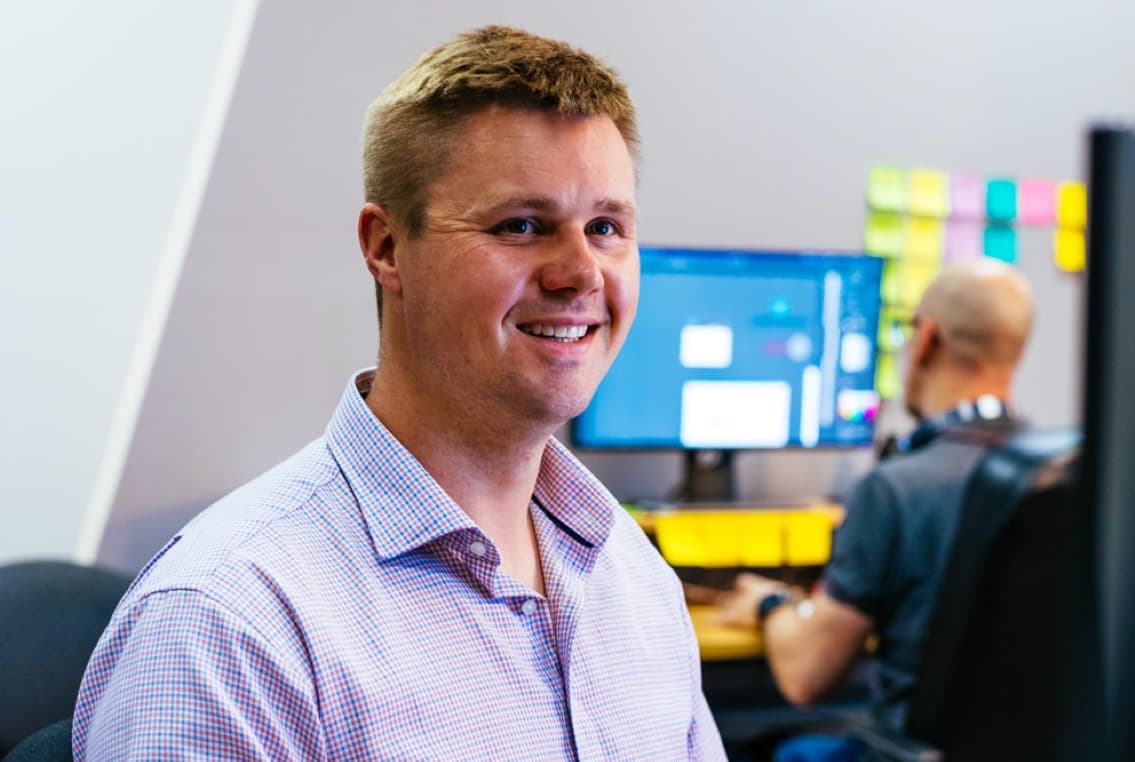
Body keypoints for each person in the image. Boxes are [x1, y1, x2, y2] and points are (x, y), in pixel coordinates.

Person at [73, 26, 724, 760]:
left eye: (606, 227)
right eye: (521, 225)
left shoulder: (630, 578)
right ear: (386, 247)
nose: (580, 273)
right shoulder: (229, 626)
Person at [715, 258, 1034, 733]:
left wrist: (771, 605)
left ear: (926, 340)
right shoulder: (1056, 470)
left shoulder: (895, 488)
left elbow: (806, 679)